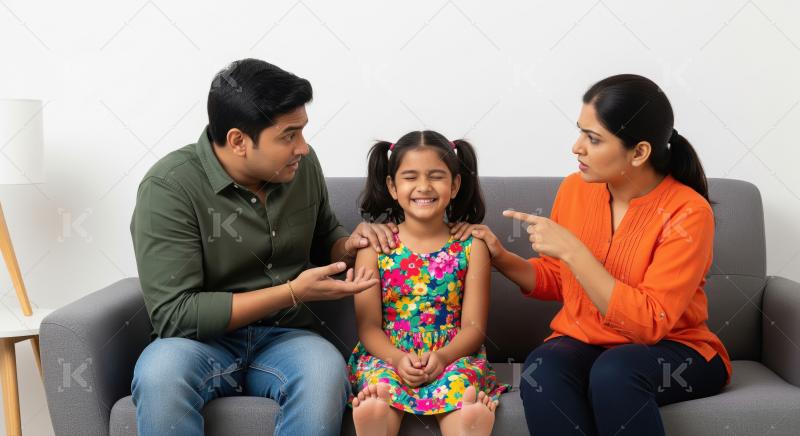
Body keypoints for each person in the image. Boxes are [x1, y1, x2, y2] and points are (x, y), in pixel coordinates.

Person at [129, 58, 399, 436]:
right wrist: (291, 292)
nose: (303, 148)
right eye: (289, 135)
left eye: (303, 132)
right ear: (239, 140)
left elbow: (326, 240)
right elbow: (175, 314)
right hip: (199, 343)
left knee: (324, 373)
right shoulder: (169, 188)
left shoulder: (301, 168)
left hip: (287, 338)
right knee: (160, 375)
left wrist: (348, 246)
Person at [451, 74, 731, 436]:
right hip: (590, 343)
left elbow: (650, 323)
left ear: (640, 151)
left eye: (593, 138)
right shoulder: (575, 189)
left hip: (676, 349)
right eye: (580, 132)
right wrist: (501, 257)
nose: (576, 147)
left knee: (615, 372)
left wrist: (573, 250)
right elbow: (560, 279)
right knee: (542, 370)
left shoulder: (688, 212)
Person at [347, 131, 511, 436]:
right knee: (381, 383)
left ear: (455, 185)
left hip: (453, 354)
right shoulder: (374, 246)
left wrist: (444, 357)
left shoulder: (472, 246)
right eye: (410, 177)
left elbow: (474, 327)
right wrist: (397, 359)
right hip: (388, 354)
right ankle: (377, 415)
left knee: (460, 384)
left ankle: (466, 423)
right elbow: (368, 326)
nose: (424, 187)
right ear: (393, 187)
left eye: (436, 176)